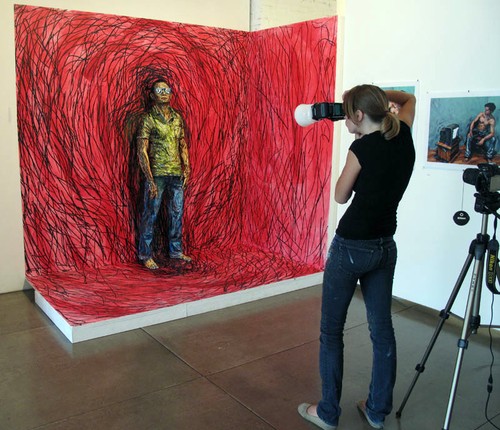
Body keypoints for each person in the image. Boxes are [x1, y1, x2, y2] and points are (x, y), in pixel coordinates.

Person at [298, 85, 416, 430]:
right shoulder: (403, 134)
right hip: (384, 246)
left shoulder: (361, 148)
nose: (343, 118)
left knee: (331, 332)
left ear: (360, 115)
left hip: (351, 247)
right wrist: (373, 93)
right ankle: (377, 411)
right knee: (382, 331)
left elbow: (340, 195)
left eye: (347, 113)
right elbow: (408, 100)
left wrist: (358, 145)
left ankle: (327, 413)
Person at [137, 79, 192, 269]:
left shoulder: (177, 118)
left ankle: (175, 251)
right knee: (151, 214)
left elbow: (182, 144)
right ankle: (145, 254)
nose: (164, 93)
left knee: (176, 213)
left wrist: (187, 167)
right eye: (159, 91)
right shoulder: (148, 119)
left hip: (176, 173)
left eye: (166, 90)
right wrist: (150, 179)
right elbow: (142, 151)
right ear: (152, 95)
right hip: (157, 174)